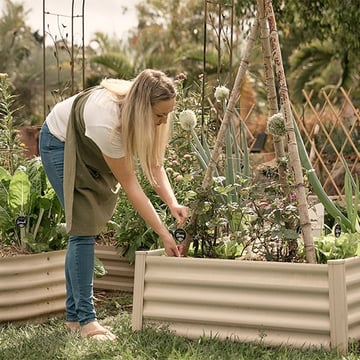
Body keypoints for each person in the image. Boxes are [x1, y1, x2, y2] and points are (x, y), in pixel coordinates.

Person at [39, 69, 188, 341]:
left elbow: (155, 165)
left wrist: (173, 203)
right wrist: (164, 234)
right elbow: (132, 185)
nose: (163, 122)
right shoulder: (106, 121)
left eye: (168, 115)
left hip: (87, 143)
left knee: (84, 228)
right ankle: (87, 321)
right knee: (83, 227)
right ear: (143, 109)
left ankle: (74, 319)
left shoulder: (144, 113)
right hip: (59, 142)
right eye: (159, 116)